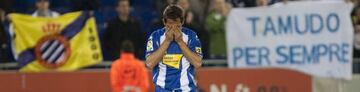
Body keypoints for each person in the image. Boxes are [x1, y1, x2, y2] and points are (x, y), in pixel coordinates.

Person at [145, 4, 203, 92]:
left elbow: (198, 63)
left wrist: (180, 42)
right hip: (162, 89)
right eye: (170, 26)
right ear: (164, 22)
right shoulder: (155, 36)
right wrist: (167, 41)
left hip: (187, 89)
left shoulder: (191, 36)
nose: (173, 30)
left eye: (177, 26)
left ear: (182, 22)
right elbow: (149, 63)